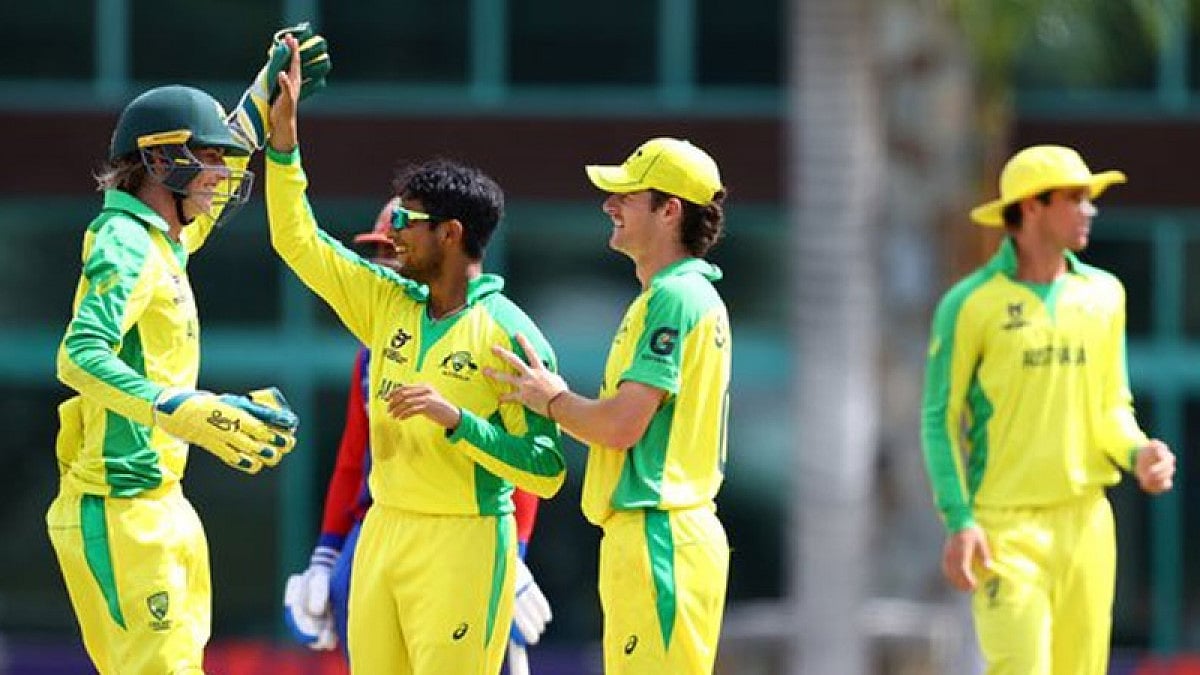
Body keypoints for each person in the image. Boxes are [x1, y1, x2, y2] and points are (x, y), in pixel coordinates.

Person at [264, 40, 565, 675]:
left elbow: (545, 469)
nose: (392, 231)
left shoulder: (508, 335)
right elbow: (296, 239)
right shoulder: (385, 304)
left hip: (464, 540)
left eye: (407, 219)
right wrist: (284, 143)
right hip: (383, 534)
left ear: (450, 234)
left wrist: (459, 421)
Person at [44, 24, 329, 674]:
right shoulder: (122, 239)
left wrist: (270, 86)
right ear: (163, 161)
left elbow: (232, 135)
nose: (225, 174)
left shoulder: (164, 242)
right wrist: (183, 407)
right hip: (119, 508)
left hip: (161, 503)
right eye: (209, 159)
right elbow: (77, 355)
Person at [920, 145, 1177, 675]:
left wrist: (1139, 453)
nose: (1090, 210)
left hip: (1087, 522)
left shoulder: (1104, 294)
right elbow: (938, 420)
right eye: (1075, 198)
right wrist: (959, 517)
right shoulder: (970, 303)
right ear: (1030, 207)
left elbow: (1110, 407)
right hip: (1005, 531)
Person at [485, 137, 733, 674]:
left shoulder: (675, 299)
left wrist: (549, 398)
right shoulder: (674, 296)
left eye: (626, 195)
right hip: (654, 536)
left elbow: (622, 425)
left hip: (659, 536)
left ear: (670, 211)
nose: (609, 205)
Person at [283, 200, 554, 666]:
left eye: (395, 250)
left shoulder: (491, 332)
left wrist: (516, 558)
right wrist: (326, 554)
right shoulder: (372, 352)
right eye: (381, 254)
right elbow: (355, 457)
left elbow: (526, 461)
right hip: (382, 528)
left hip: (465, 532)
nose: (385, 265)